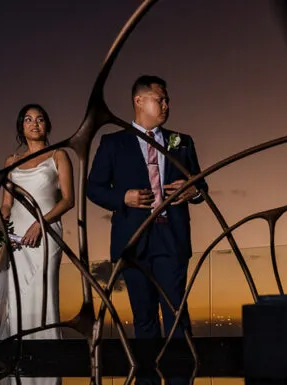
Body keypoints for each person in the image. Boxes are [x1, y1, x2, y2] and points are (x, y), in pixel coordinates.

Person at [87, 75, 208, 339]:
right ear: (138, 101)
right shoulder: (113, 143)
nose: (166, 106)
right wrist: (123, 197)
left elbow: (202, 188)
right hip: (133, 238)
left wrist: (193, 191)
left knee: (176, 313)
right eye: (160, 100)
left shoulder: (182, 141)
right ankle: (147, 377)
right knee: (143, 317)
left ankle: (180, 377)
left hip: (171, 236)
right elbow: (93, 188)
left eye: (167, 101)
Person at [0, 104, 75, 341]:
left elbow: (68, 200)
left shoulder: (58, 155)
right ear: (21, 126)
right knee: (16, 293)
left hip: (47, 232)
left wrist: (40, 222)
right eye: (28, 119)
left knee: (43, 292)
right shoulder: (11, 160)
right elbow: (6, 203)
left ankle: (47, 355)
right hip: (16, 236)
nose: (34, 124)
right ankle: (19, 353)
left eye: (39, 119)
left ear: (47, 124)